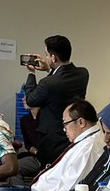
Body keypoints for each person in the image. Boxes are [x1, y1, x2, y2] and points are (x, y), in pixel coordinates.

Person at [22, 35, 89, 170]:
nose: (46, 58)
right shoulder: (83, 74)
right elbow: (60, 81)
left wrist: (31, 73)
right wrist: (50, 70)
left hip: (51, 140)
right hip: (73, 133)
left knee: (49, 174)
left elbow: (30, 100)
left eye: (47, 55)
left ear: (53, 58)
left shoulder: (48, 83)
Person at [30, 100, 105, 191]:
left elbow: (68, 190)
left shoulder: (88, 148)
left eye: (65, 123)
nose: (64, 129)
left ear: (81, 122)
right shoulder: (83, 142)